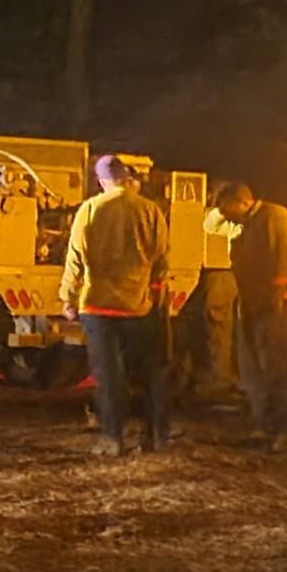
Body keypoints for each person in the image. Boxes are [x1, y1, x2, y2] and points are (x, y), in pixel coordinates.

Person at [61, 155, 172, 456]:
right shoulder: (150, 210)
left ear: (101, 181)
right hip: (138, 305)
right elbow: (161, 257)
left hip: (98, 306)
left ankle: (113, 439)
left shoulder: (90, 209)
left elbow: (75, 257)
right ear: (126, 177)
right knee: (149, 372)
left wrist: (67, 296)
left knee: (108, 376)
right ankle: (155, 436)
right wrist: (156, 292)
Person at [213, 181, 287, 450]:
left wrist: (276, 296)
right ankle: (263, 425)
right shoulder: (247, 223)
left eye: (226, 209)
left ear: (242, 202)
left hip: (273, 305)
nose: (225, 216)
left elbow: (284, 257)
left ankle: (285, 430)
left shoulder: (275, 216)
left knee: (274, 366)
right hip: (252, 303)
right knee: (252, 368)